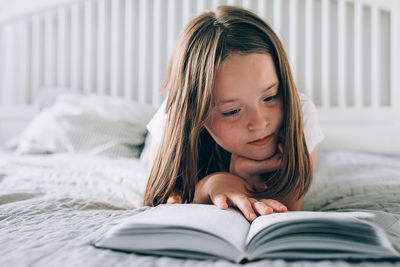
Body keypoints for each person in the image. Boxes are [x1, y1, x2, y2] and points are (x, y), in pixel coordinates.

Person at [143, 6, 324, 221]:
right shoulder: (172, 118)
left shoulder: (300, 113)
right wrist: (210, 186)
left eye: (270, 96)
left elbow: (288, 211)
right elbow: (159, 204)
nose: (260, 122)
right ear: (196, 115)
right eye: (232, 111)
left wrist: (246, 181)